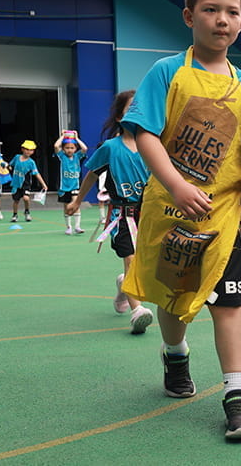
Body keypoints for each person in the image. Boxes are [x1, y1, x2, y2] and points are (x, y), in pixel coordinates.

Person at [118, 0, 241, 440]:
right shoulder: (167, 72)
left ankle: (237, 395)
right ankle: (175, 355)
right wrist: (178, 185)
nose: (222, 19)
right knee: (174, 298)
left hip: (225, 216)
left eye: (232, 12)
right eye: (210, 9)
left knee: (230, 303)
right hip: (171, 212)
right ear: (189, 16)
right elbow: (145, 133)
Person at [65, 90, 154, 333]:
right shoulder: (110, 148)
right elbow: (92, 174)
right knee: (130, 258)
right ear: (119, 117)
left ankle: (123, 285)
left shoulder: (153, 146)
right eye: (130, 109)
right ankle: (137, 310)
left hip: (148, 214)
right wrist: (77, 201)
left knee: (145, 263)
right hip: (122, 215)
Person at [54, 130, 88, 235]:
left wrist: (76, 138)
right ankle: (68, 227)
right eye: (67, 148)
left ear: (75, 149)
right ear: (63, 149)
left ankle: (77, 226)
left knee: (75, 204)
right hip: (64, 187)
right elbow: (56, 146)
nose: (69, 150)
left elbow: (85, 149)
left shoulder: (77, 156)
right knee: (67, 207)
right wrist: (62, 136)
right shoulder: (62, 156)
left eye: (72, 148)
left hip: (75, 186)